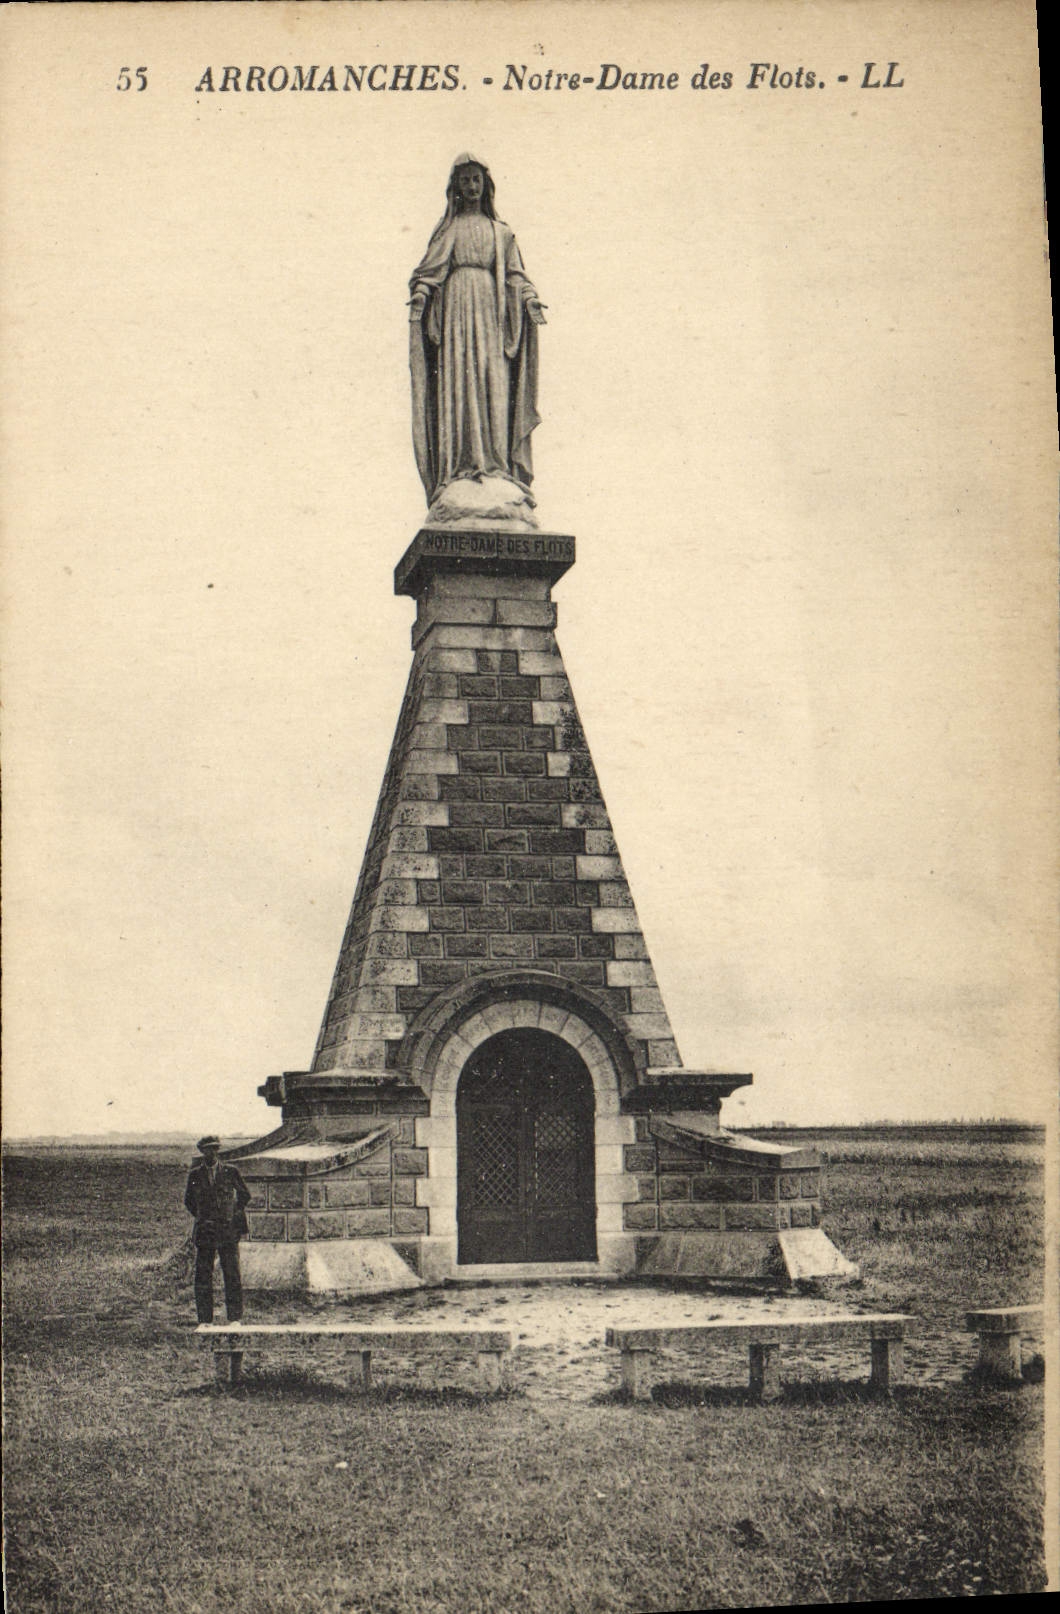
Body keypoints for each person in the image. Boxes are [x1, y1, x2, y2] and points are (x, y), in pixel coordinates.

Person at [409, 155, 546, 508]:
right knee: (460, 383)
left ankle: (496, 466)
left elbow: (516, 276)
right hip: (457, 315)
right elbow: (429, 272)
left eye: (476, 180)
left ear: (486, 185)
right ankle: (460, 468)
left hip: (491, 315)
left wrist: (529, 299)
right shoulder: (449, 230)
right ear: (455, 187)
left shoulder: (501, 233)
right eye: (465, 180)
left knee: (493, 384)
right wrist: (421, 294)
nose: (471, 186)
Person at [184, 1135, 251, 1324]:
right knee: (203, 1276)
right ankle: (205, 1320)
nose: (211, 1153)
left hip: (227, 1231)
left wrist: (232, 1213)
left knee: (232, 1274)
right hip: (205, 1231)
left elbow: (245, 1195)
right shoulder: (195, 1175)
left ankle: (235, 1319)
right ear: (201, 1151)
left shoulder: (231, 1171)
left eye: (214, 1149)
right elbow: (188, 1201)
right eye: (207, 1149)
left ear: (218, 1151)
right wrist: (203, 1216)